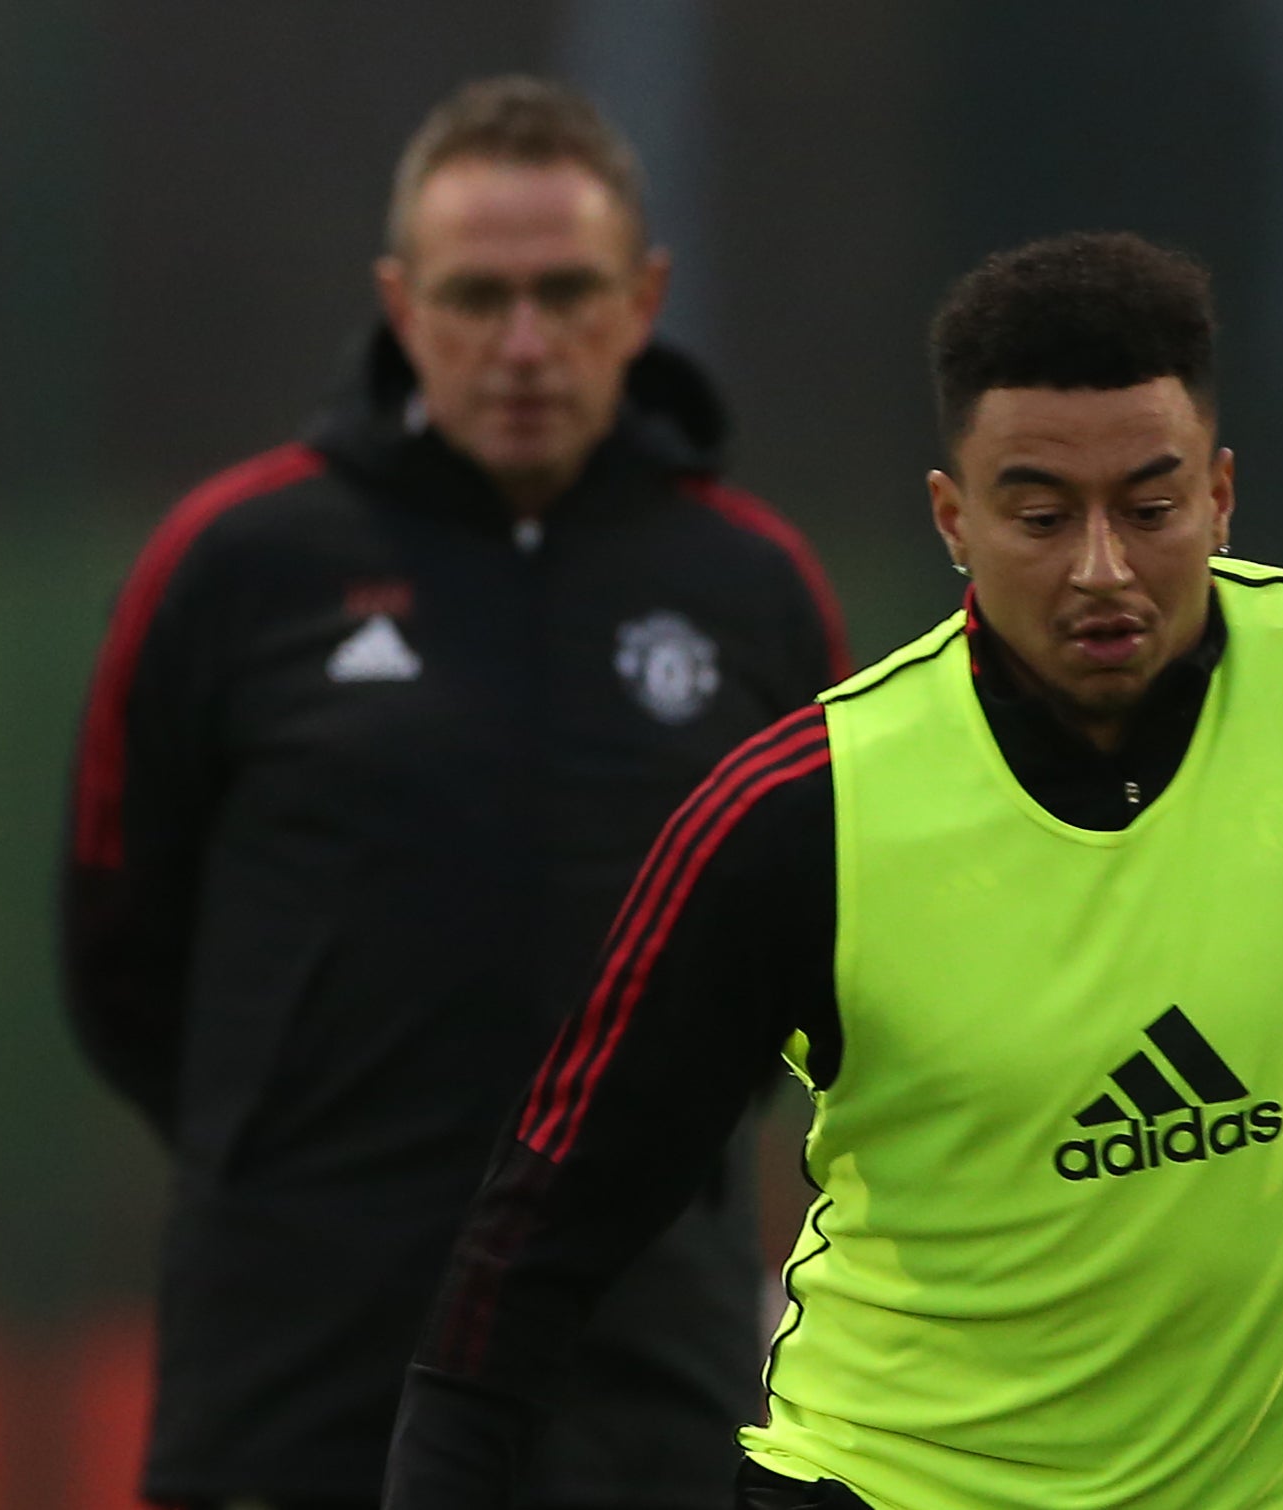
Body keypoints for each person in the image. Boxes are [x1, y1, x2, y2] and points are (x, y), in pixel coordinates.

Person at [379, 231, 1283, 1510]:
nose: (1100, 568)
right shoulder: (799, 813)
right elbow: (555, 1216)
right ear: (954, 521)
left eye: (1147, 507)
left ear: (1217, 492)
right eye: (1037, 513)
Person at [61, 76, 848, 1510]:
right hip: (295, 1385)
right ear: (400, 300)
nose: (524, 343)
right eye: (479, 294)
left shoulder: (755, 590)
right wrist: (297, 1144)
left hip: (644, 1385)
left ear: (644, 294)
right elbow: (120, 948)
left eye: (567, 289)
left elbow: (824, 956)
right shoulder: (231, 565)